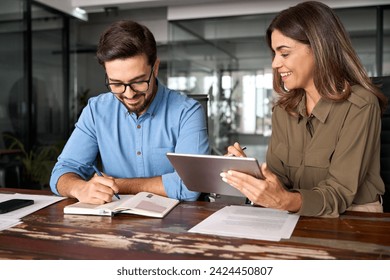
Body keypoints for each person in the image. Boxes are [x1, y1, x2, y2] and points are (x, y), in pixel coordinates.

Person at [220, 1, 387, 217]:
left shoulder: (361, 105)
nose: (274, 64)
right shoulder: (283, 110)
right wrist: (251, 176)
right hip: (294, 213)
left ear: (319, 49)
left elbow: (339, 193)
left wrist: (285, 200)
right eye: (274, 54)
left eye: (285, 53)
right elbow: (280, 181)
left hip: (355, 216)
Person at [50, 20, 209, 204]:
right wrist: (80, 188)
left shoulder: (187, 112)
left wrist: (117, 185)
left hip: (174, 225)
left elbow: (190, 185)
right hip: (112, 223)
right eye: (116, 84)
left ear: (155, 68)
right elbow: (62, 172)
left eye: (138, 81)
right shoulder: (96, 111)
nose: (129, 93)